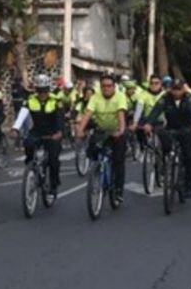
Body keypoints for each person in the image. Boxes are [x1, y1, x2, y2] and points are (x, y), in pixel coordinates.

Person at [143, 79, 191, 198]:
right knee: (164, 145)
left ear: (183, 89)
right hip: (171, 129)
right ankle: (165, 168)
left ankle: (190, 185)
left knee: (189, 157)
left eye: (179, 89)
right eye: (174, 89)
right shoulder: (165, 98)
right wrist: (149, 123)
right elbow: (156, 110)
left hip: (186, 129)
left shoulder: (188, 98)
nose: (176, 92)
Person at [76, 73, 129, 203]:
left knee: (118, 160)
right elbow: (87, 114)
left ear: (114, 86)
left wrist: (121, 130)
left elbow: (121, 114)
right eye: (104, 86)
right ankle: (97, 170)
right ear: (100, 86)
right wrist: (80, 130)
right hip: (101, 130)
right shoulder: (95, 97)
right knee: (92, 151)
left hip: (117, 131)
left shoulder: (120, 97)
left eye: (109, 86)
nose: (106, 88)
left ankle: (118, 190)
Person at [11, 75, 64, 194]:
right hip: (37, 131)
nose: (42, 93)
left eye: (44, 90)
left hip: (53, 133)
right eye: (39, 90)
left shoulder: (56, 101)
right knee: (28, 144)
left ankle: (53, 186)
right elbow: (22, 115)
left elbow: (60, 118)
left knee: (53, 159)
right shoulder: (30, 100)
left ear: (48, 89)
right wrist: (15, 128)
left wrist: (59, 132)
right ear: (36, 90)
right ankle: (31, 167)